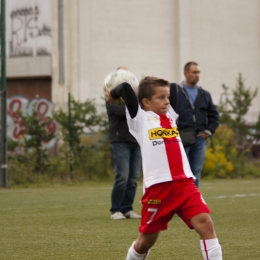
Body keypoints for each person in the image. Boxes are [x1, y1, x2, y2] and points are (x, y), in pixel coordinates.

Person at [105, 77, 222, 260]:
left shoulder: (170, 116)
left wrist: (161, 87)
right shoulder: (139, 118)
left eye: (167, 97)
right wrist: (112, 95)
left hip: (185, 184)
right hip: (158, 189)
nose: (167, 101)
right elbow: (126, 88)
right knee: (146, 241)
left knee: (205, 223)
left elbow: (174, 86)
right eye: (160, 98)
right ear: (145, 102)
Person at [105, 67, 142, 220]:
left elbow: (138, 115)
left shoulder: (136, 103)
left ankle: (127, 208)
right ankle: (116, 210)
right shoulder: (110, 101)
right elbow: (122, 114)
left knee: (133, 178)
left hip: (135, 141)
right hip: (120, 141)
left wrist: (132, 102)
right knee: (122, 176)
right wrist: (128, 104)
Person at [176, 62, 219, 188]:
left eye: (198, 72)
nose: (197, 75)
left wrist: (207, 132)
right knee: (181, 173)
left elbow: (214, 116)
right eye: (194, 72)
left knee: (196, 173)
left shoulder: (205, 94)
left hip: (200, 139)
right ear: (185, 73)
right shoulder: (176, 92)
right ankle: (180, 202)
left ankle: (193, 204)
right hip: (181, 138)